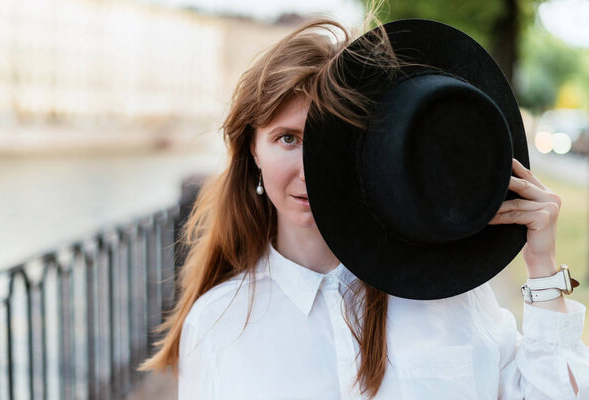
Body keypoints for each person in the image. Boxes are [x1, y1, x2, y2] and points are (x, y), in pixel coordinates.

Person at [139, 14, 589, 400]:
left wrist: (544, 270)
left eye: (326, 141)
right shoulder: (217, 323)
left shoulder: (450, 296)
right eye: (287, 138)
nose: (310, 168)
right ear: (252, 151)